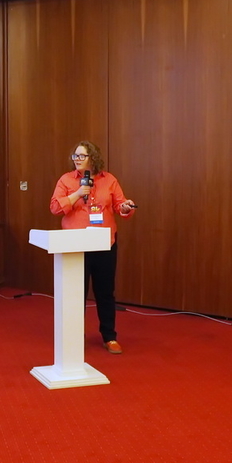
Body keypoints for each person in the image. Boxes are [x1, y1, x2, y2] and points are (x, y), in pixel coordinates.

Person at [50, 141, 137, 354]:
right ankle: (74, 335)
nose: (77, 159)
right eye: (75, 156)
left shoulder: (109, 180)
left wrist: (126, 207)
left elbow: (120, 205)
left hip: (103, 244)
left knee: (105, 292)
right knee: (75, 293)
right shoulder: (66, 180)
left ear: (93, 158)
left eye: (82, 156)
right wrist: (78, 193)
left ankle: (109, 337)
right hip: (75, 245)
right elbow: (55, 208)